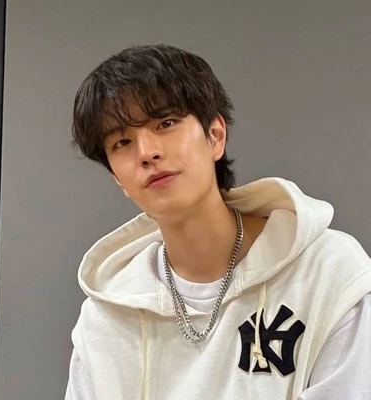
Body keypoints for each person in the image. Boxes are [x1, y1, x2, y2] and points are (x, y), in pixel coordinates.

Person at [65, 44, 371, 399]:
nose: (147, 152)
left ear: (215, 136)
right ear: (117, 178)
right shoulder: (105, 318)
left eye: (166, 123)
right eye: (122, 142)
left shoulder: (331, 274)